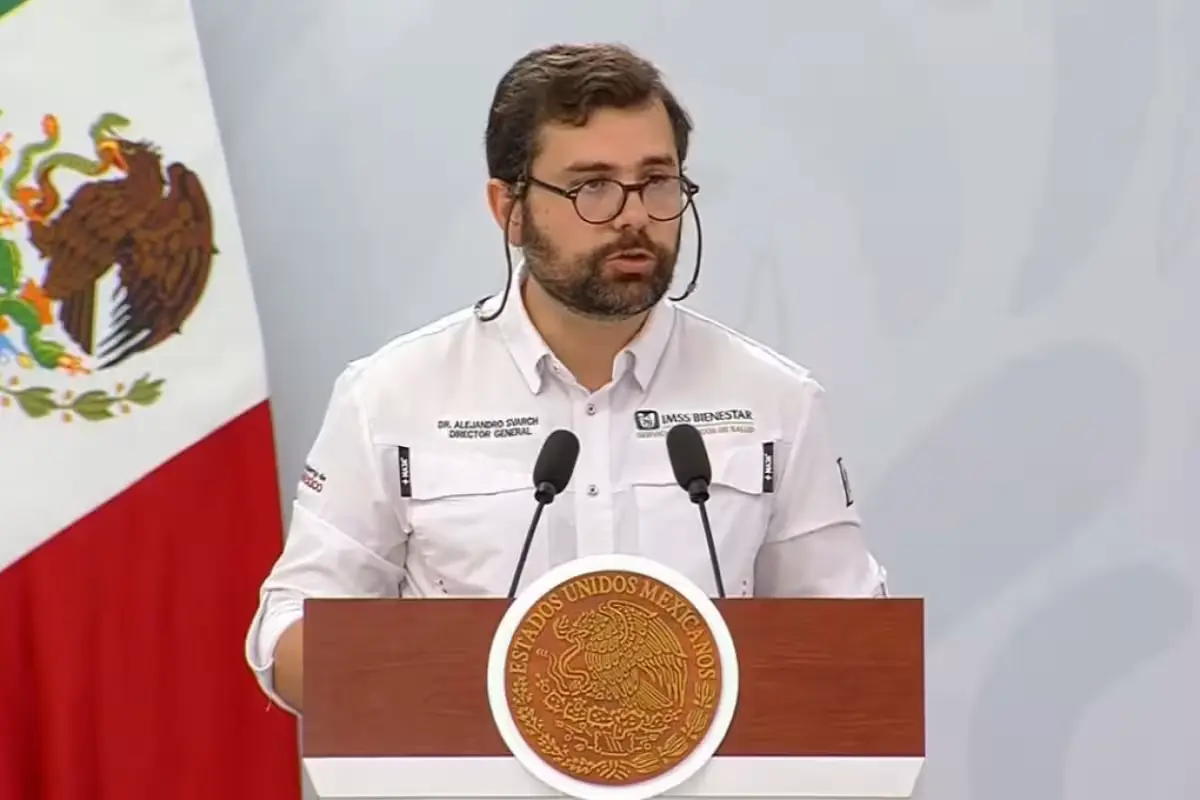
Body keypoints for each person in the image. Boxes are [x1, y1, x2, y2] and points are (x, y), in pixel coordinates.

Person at [245, 42, 887, 715]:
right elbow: (291, 627)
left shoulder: (775, 401)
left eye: (657, 181)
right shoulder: (391, 396)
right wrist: (452, 688)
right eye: (592, 187)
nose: (634, 215)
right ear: (509, 209)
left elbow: (851, 641)